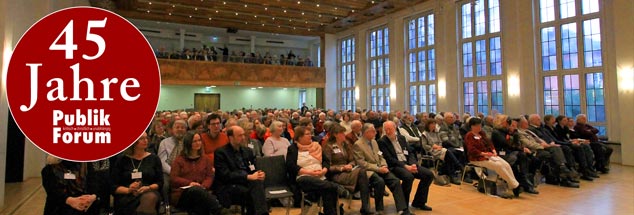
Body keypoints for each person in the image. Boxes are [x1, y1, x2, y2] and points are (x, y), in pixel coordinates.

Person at [353, 123, 412, 215]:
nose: (376, 133)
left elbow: (381, 156)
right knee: (379, 182)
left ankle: (402, 209)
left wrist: (384, 165)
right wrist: (378, 169)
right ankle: (379, 209)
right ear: (366, 132)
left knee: (395, 181)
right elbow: (362, 163)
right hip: (368, 171)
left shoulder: (374, 142)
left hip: (381, 168)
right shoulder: (358, 144)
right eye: (373, 131)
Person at [286, 126, 343, 215]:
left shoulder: (316, 145)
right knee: (328, 186)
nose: (310, 136)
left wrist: (324, 170)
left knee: (327, 188)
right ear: (300, 137)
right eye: (307, 134)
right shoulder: (293, 148)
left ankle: (330, 212)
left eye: (311, 134)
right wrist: (309, 172)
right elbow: (291, 166)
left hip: (321, 176)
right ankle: (336, 187)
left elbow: (326, 161)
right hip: (303, 177)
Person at [378, 121, 434, 211]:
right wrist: (406, 167)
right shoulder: (382, 141)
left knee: (428, 175)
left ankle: (419, 202)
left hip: (409, 164)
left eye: (390, 129)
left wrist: (413, 164)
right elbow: (390, 159)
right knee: (408, 177)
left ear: (395, 128)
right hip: (395, 166)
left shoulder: (401, 138)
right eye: (386, 129)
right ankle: (404, 207)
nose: (388, 132)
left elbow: (410, 152)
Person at [214, 126, 269, 215]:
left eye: (243, 135)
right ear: (231, 137)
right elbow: (225, 175)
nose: (243, 138)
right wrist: (247, 176)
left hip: (247, 182)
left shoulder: (247, 151)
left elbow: (253, 168)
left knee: (257, 184)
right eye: (239, 136)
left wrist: (259, 174)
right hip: (230, 185)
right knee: (253, 193)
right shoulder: (221, 153)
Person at [464, 118, 521, 198]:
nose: (479, 127)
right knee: (498, 166)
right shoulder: (469, 136)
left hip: (488, 155)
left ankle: (513, 185)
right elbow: (471, 150)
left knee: (506, 164)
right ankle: (515, 186)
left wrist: (493, 150)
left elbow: (489, 143)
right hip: (477, 158)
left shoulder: (482, 133)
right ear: (472, 126)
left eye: (480, 125)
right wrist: (484, 153)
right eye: (477, 126)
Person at [322, 124, 372, 214]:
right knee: (362, 173)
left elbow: (352, 160)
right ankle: (365, 207)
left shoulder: (345, 144)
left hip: (349, 171)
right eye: (341, 133)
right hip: (336, 174)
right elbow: (327, 166)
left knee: (362, 173)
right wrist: (342, 168)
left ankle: (365, 206)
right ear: (335, 134)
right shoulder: (328, 147)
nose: (344, 135)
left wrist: (350, 165)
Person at [111, 132, 163, 215]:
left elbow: (160, 183)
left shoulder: (154, 158)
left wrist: (148, 187)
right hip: (126, 195)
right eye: (141, 139)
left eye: (146, 138)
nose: (145, 141)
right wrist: (128, 190)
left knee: (149, 198)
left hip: (149, 191)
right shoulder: (121, 159)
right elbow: (113, 186)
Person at [170, 132, 220, 215]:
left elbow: (209, 176)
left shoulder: (205, 159)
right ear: (188, 143)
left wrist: (203, 186)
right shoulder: (179, 160)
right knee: (195, 191)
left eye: (199, 140)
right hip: (182, 194)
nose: (198, 143)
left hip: (202, 191)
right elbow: (173, 178)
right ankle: (218, 208)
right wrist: (190, 183)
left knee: (199, 202)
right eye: (194, 141)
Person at [490, 115, 538, 194]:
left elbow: (514, 145)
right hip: (501, 154)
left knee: (532, 159)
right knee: (520, 157)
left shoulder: (508, 132)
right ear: (502, 122)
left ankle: (524, 181)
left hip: (510, 153)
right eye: (507, 121)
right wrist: (520, 146)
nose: (509, 123)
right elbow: (506, 144)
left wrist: (515, 136)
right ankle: (524, 181)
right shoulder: (496, 132)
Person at [420, 120, 464, 185]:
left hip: (439, 149)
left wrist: (439, 146)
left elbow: (440, 141)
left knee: (450, 154)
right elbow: (424, 146)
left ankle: (451, 174)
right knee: (447, 152)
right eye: (432, 124)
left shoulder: (436, 133)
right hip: (431, 151)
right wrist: (433, 146)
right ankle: (458, 166)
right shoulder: (424, 134)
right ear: (428, 125)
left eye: (434, 124)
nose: (434, 125)